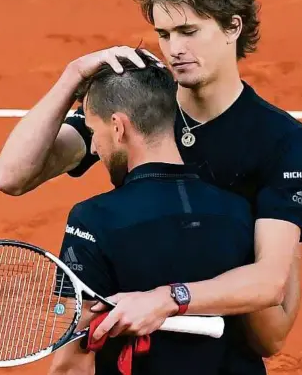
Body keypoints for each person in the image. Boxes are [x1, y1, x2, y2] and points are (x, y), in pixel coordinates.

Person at [0, 0, 302, 373]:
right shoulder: (147, 107)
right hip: (135, 336)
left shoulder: (279, 138)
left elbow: (270, 294)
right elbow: (11, 176)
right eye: (164, 34)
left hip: (221, 341)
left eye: (189, 31)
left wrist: (167, 299)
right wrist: (73, 75)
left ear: (233, 28)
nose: (174, 49)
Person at [48, 52, 257, 375]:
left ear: (118, 128)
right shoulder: (239, 210)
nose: (93, 148)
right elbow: (268, 337)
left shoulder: (93, 219)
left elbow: (72, 363)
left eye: (94, 131)